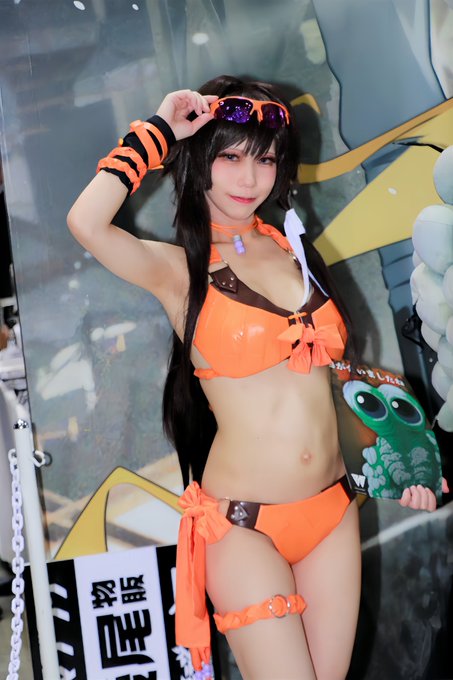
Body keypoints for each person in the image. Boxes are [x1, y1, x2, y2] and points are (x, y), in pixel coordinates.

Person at [67, 75, 444, 680]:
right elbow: (87, 223)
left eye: (265, 160)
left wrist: (399, 460)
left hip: (332, 510)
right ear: (199, 160)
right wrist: (159, 132)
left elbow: (327, 385)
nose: (250, 179)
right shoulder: (179, 270)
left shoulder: (293, 250)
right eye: (232, 158)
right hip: (243, 524)